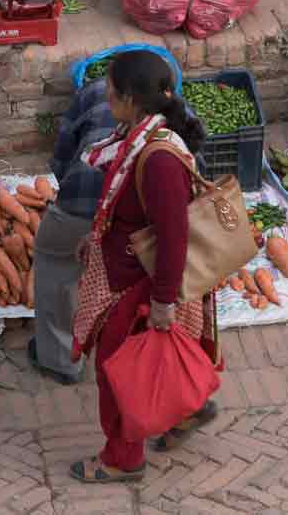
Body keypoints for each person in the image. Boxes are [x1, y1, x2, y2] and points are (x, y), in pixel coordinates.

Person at [69, 51, 220, 484]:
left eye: (111, 93)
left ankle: (122, 458)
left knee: (117, 370)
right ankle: (185, 412)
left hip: (140, 284)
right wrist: (96, 237)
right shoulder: (135, 136)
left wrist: (162, 302)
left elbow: (174, 237)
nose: (107, 100)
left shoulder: (157, 160)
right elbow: (124, 205)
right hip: (131, 271)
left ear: (131, 99)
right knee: (151, 359)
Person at [27, 75, 118, 385]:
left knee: (55, 261)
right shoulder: (179, 113)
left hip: (82, 204)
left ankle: (60, 361)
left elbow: (63, 157)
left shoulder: (95, 90)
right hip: (139, 221)